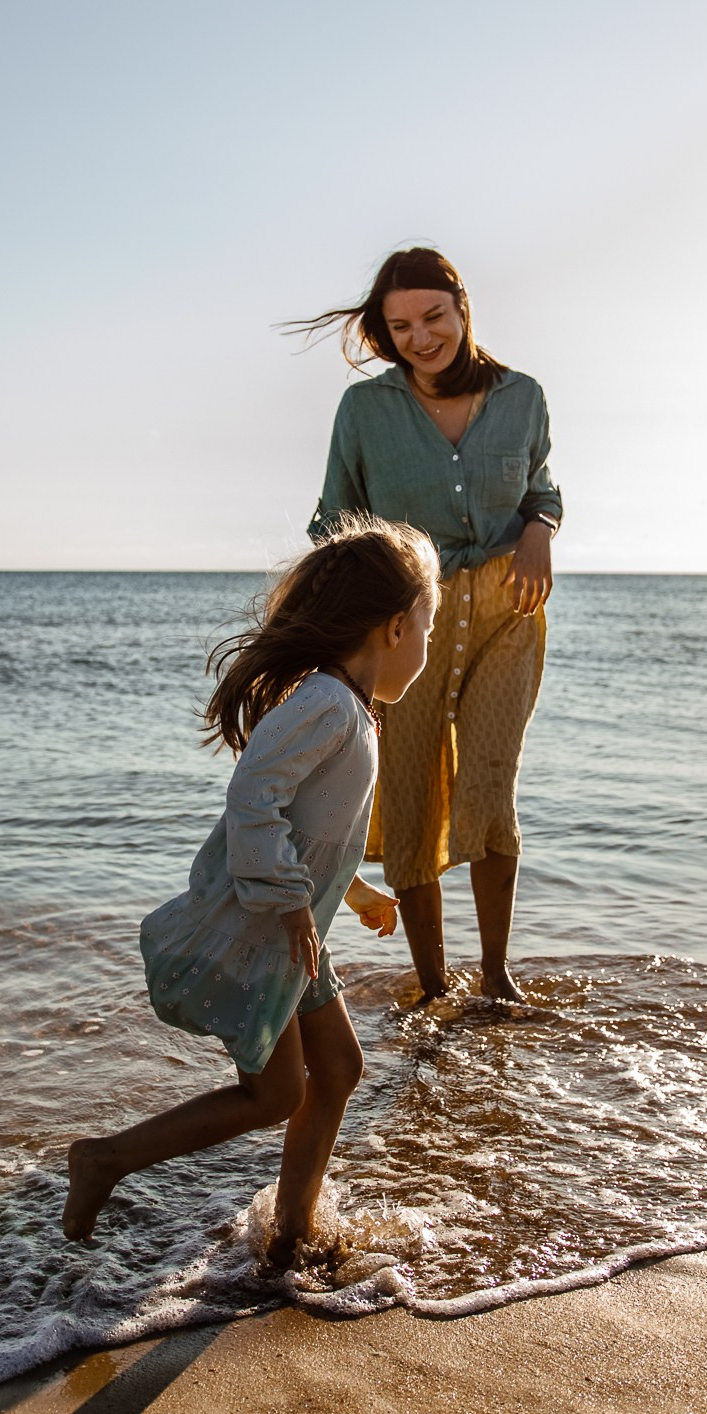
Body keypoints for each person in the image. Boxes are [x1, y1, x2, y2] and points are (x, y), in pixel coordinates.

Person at [62, 516, 441, 1263]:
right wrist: (296, 901)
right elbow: (252, 797)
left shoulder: (350, 711)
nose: (431, 645)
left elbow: (309, 828)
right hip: (266, 928)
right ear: (395, 628)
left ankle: (294, 1229)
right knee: (275, 1096)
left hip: (295, 931)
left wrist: (353, 891)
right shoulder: (328, 705)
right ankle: (104, 1159)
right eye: (430, 627)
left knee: (337, 1069)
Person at [298, 247, 562, 1004]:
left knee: (489, 785)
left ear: (462, 307)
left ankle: (498, 976)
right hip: (404, 619)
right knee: (409, 795)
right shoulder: (366, 411)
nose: (421, 337)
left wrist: (541, 526)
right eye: (402, 325)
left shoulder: (524, 396)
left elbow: (541, 483)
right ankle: (432, 981)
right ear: (386, 332)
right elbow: (333, 519)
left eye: (434, 317)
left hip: (510, 607)